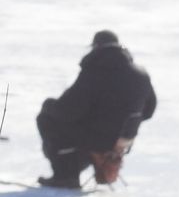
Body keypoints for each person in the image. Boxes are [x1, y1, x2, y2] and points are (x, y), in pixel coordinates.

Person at [37, 30, 157, 188]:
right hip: (124, 140)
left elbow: (68, 111)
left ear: (96, 47)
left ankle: (66, 175)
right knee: (84, 127)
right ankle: (100, 162)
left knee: (47, 118)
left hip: (99, 139)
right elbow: (149, 110)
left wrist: (48, 105)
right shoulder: (141, 74)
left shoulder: (94, 72)